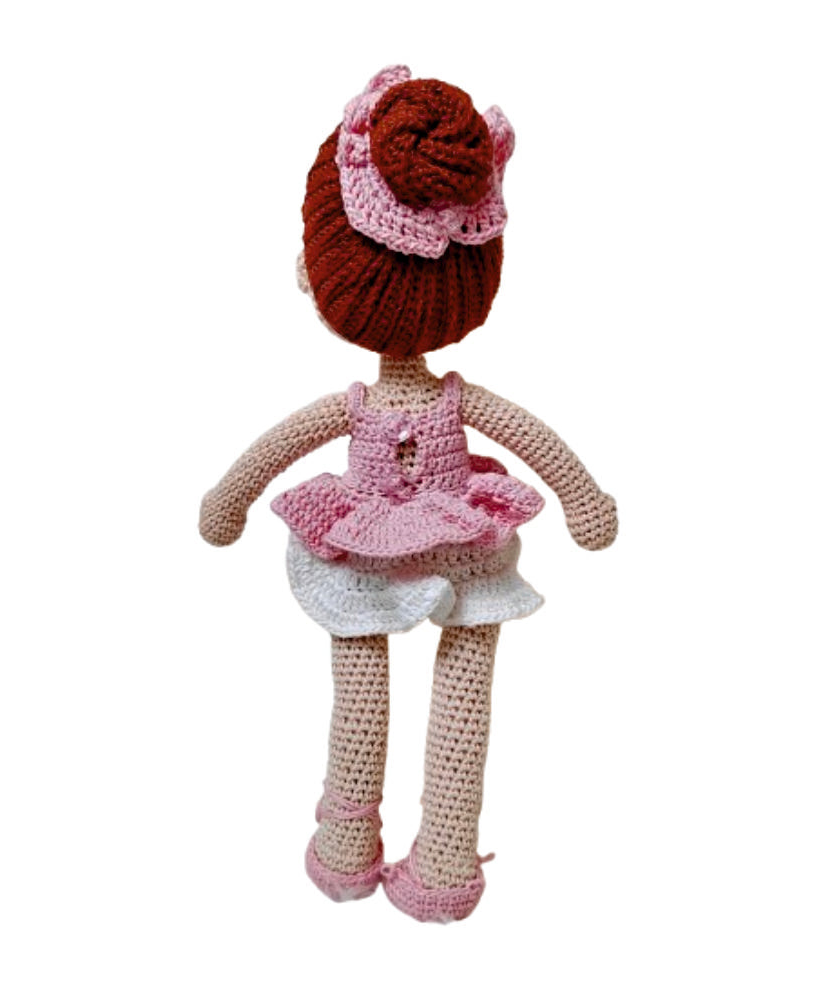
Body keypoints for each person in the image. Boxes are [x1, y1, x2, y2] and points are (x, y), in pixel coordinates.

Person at [199, 66, 618, 922]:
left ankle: (347, 843)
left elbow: (270, 452)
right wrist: (584, 503)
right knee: (466, 689)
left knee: (359, 685)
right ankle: (447, 853)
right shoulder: (454, 402)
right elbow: (537, 442)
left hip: (368, 543)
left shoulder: (354, 406)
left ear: (326, 277)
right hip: (466, 540)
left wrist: (228, 503)